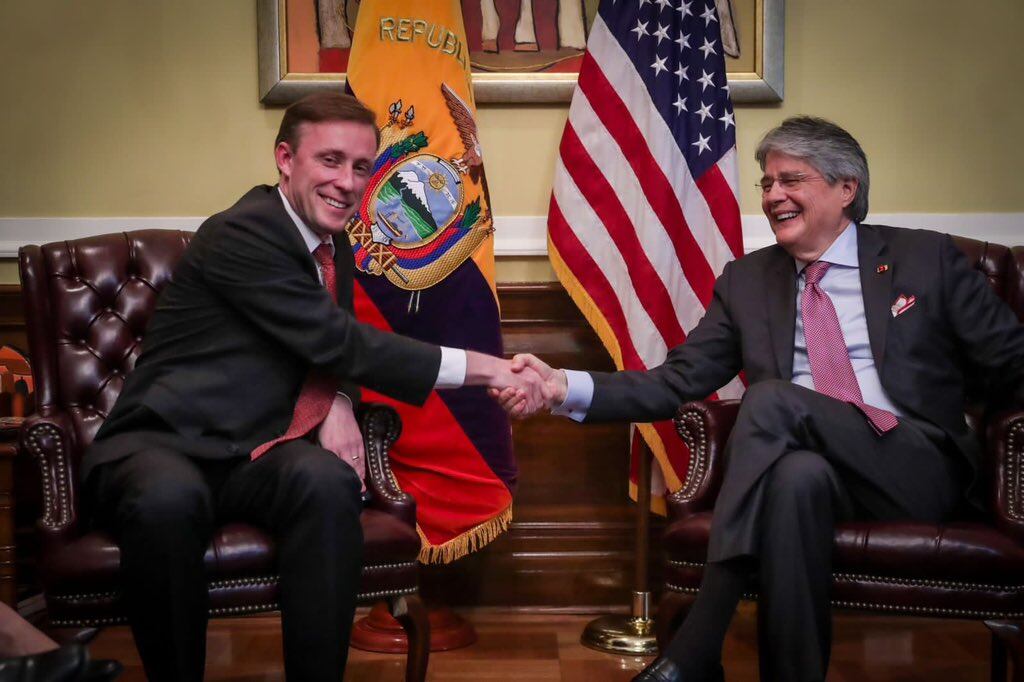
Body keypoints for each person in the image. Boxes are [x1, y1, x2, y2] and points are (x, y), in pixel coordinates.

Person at [496, 116, 1024, 681]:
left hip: (915, 465)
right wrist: (560, 386)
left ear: (847, 188)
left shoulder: (927, 260)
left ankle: (699, 641)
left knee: (771, 400)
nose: (773, 196)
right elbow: (677, 379)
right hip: (824, 474)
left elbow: (1012, 362)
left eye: (790, 180)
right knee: (795, 478)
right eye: (766, 184)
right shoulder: (748, 280)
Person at [82, 92, 543, 682]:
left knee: (325, 483)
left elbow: (331, 341)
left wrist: (340, 402)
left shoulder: (333, 241)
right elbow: (339, 342)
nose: (347, 183)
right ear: (285, 159)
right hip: (162, 445)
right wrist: (491, 369)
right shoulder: (244, 233)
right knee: (170, 497)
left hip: (250, 451)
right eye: (329, 161)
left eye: (360, 167)